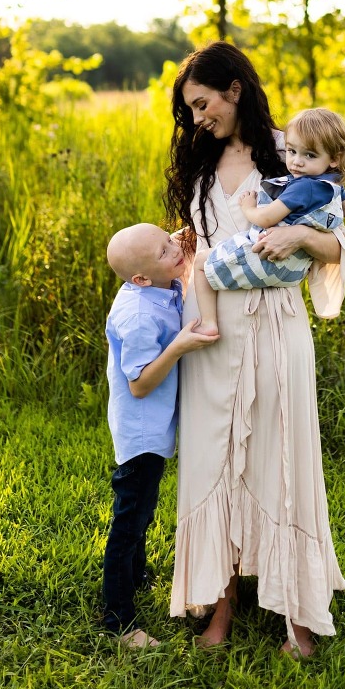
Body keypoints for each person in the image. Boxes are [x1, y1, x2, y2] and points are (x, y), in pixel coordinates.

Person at [164, 43, 345, 659]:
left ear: (234, 90)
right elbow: (196, 253)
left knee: (280, 459)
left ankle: (296, 619)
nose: (197, 118)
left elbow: (338, 242)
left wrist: (298, 232)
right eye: (190, 109)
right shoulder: (199, 163)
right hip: (212, 329)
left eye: (203, 104)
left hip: (275, 324)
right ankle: (220, 605)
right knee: (213, 459)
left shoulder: (290, 148)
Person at [103, 222, 219, 648]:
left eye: (169, 239)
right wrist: (178, 347)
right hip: (141, 435)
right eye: (163, 249)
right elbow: (139, 385)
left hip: (154, 430)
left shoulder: (156, 282)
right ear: (140, 278)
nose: (174, 248)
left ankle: (138, 576)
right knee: (129, 522)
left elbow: (168, 250)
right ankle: (118, 621)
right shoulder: (136, 314)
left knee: (144, 511)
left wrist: (178, 242)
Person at [192, 107, 345, 335]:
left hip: (267, 257)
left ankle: (209, 322)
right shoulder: (333, 187)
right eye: (291, 151)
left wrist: (248, 206)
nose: (297, 162)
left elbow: (267, 217)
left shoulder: (302, 187)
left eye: (309, 155)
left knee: (201, 263)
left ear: (334, 158)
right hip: (293, 271)